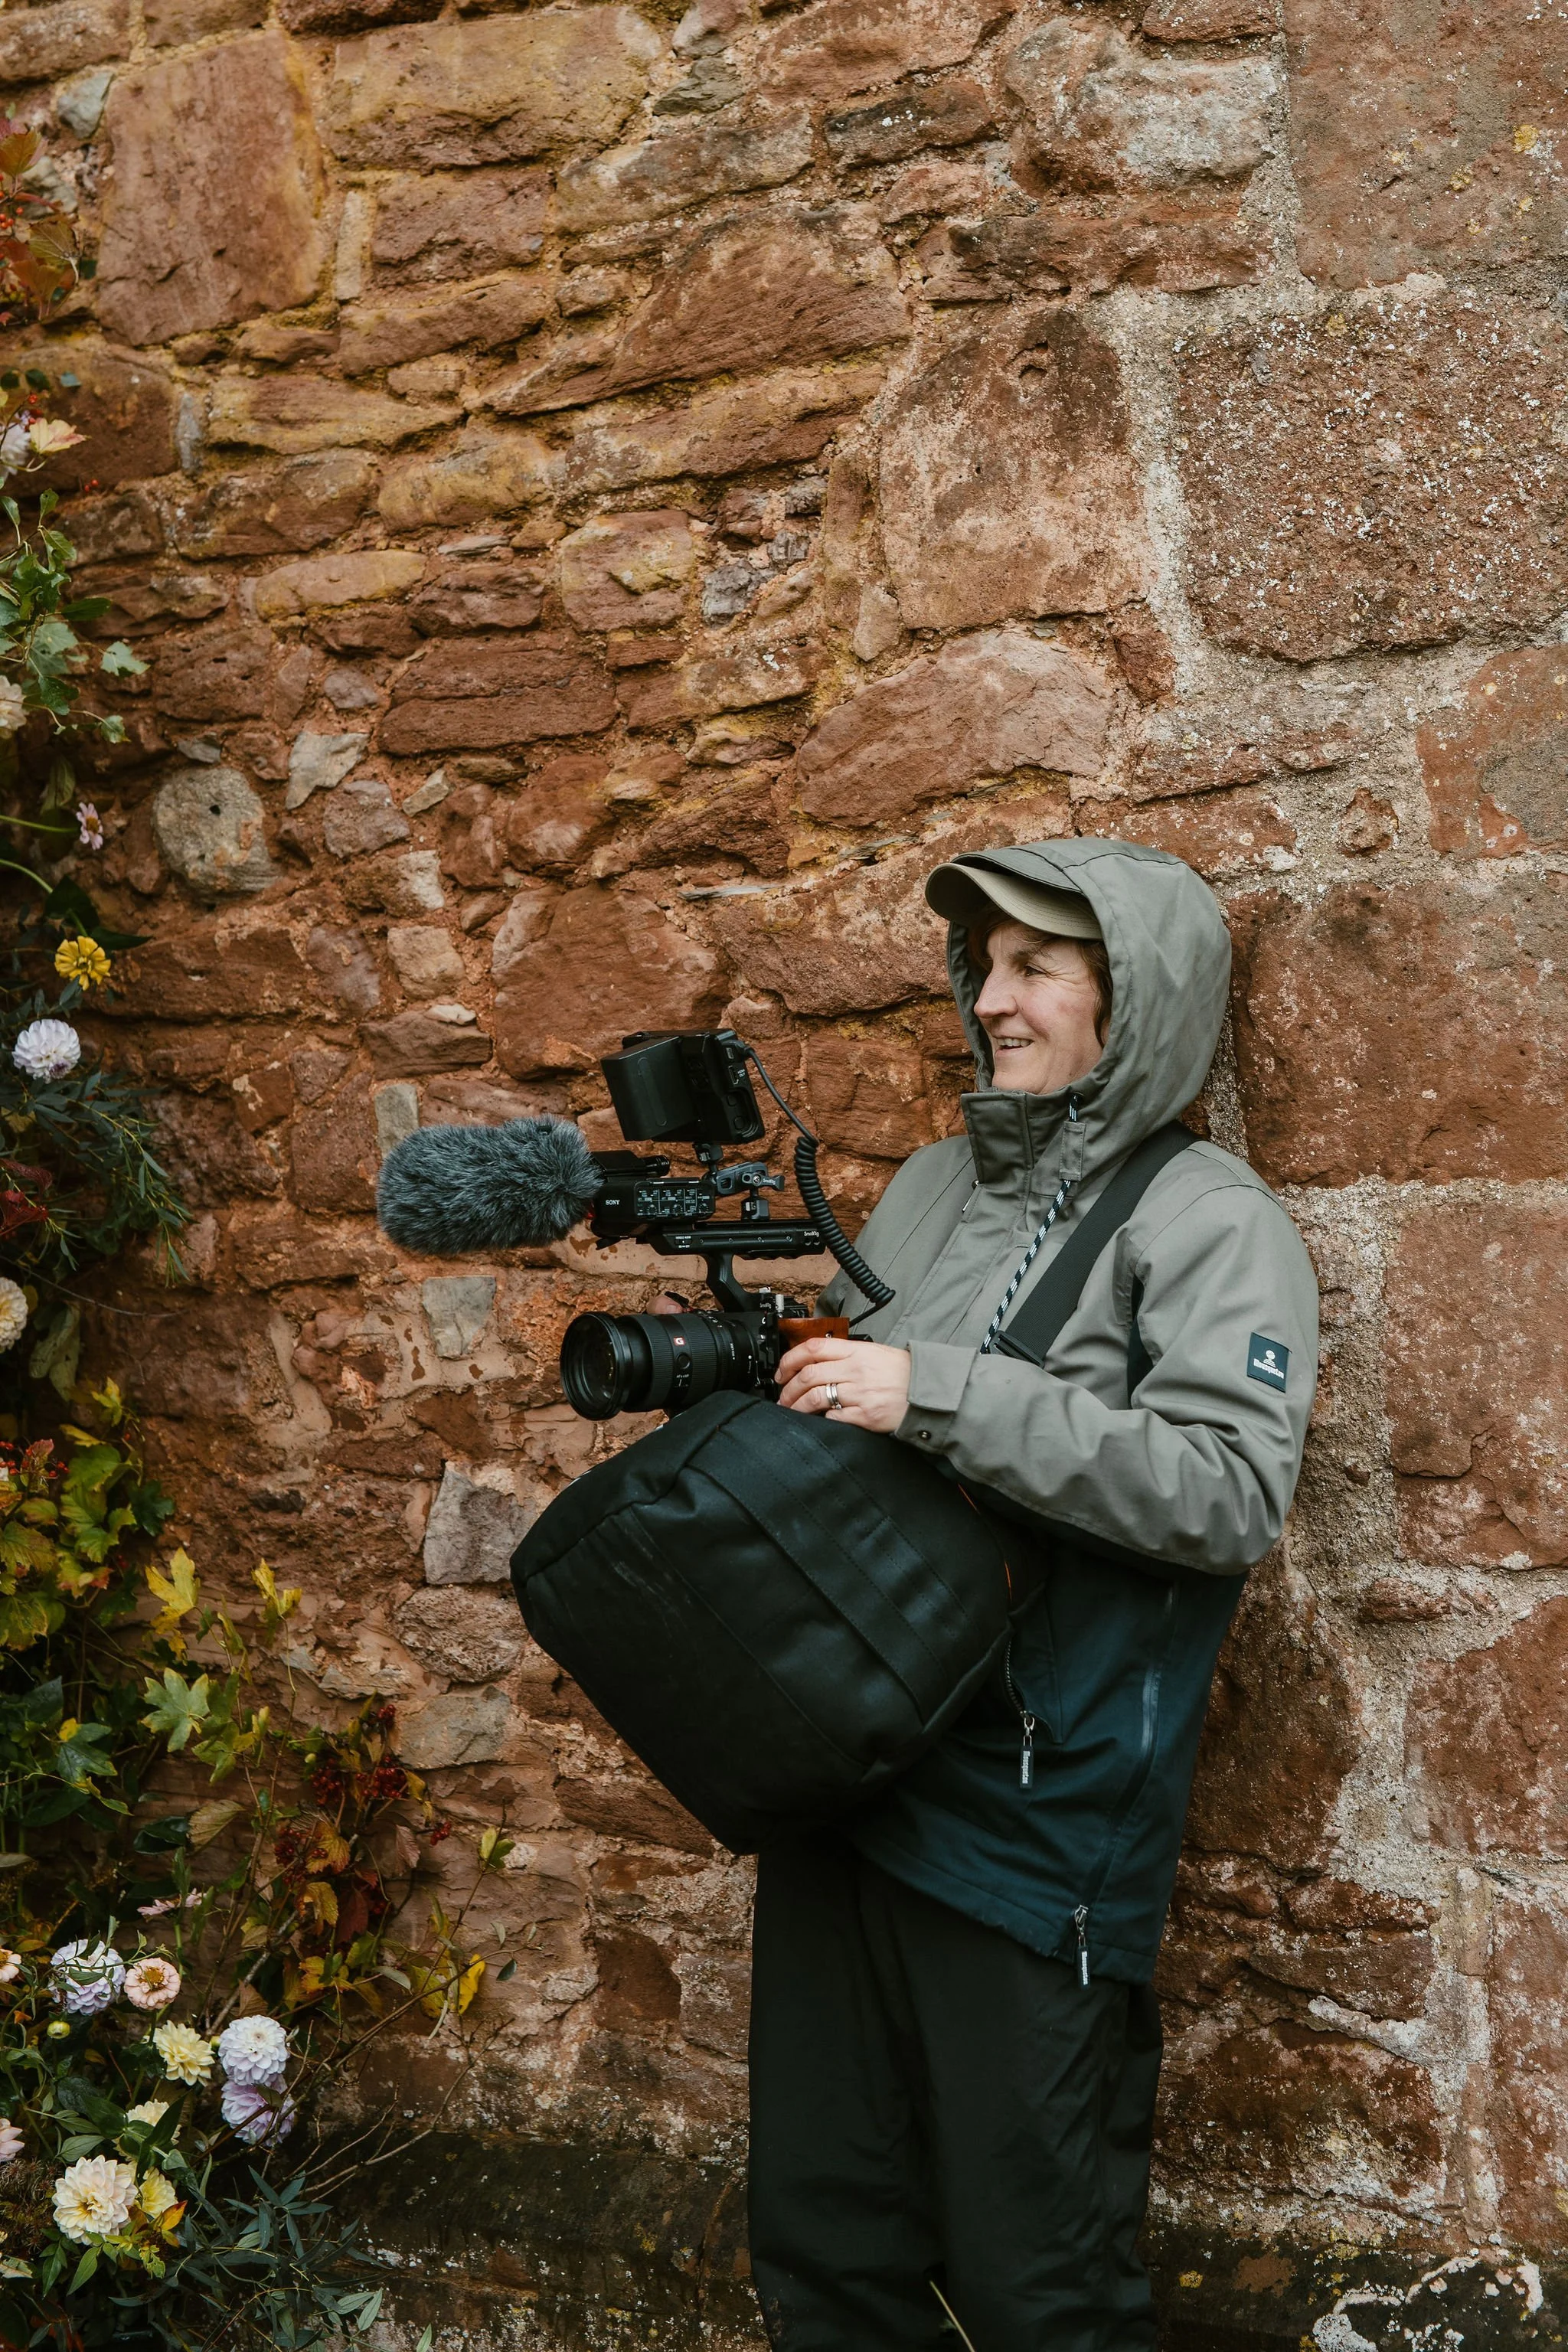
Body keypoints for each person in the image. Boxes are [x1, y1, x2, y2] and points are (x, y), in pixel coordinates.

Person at [747, 837, 1319, 2351]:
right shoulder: (933, 1189)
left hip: (1029, 1828)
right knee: (824, 2251)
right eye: (982, 967)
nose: (991, 1001)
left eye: (1036, 968)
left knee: (1037, 2290)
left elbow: (1225, 1489)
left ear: (1132, 999)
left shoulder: (1209, 1220)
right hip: (845, 1785)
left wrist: (931, 1393)